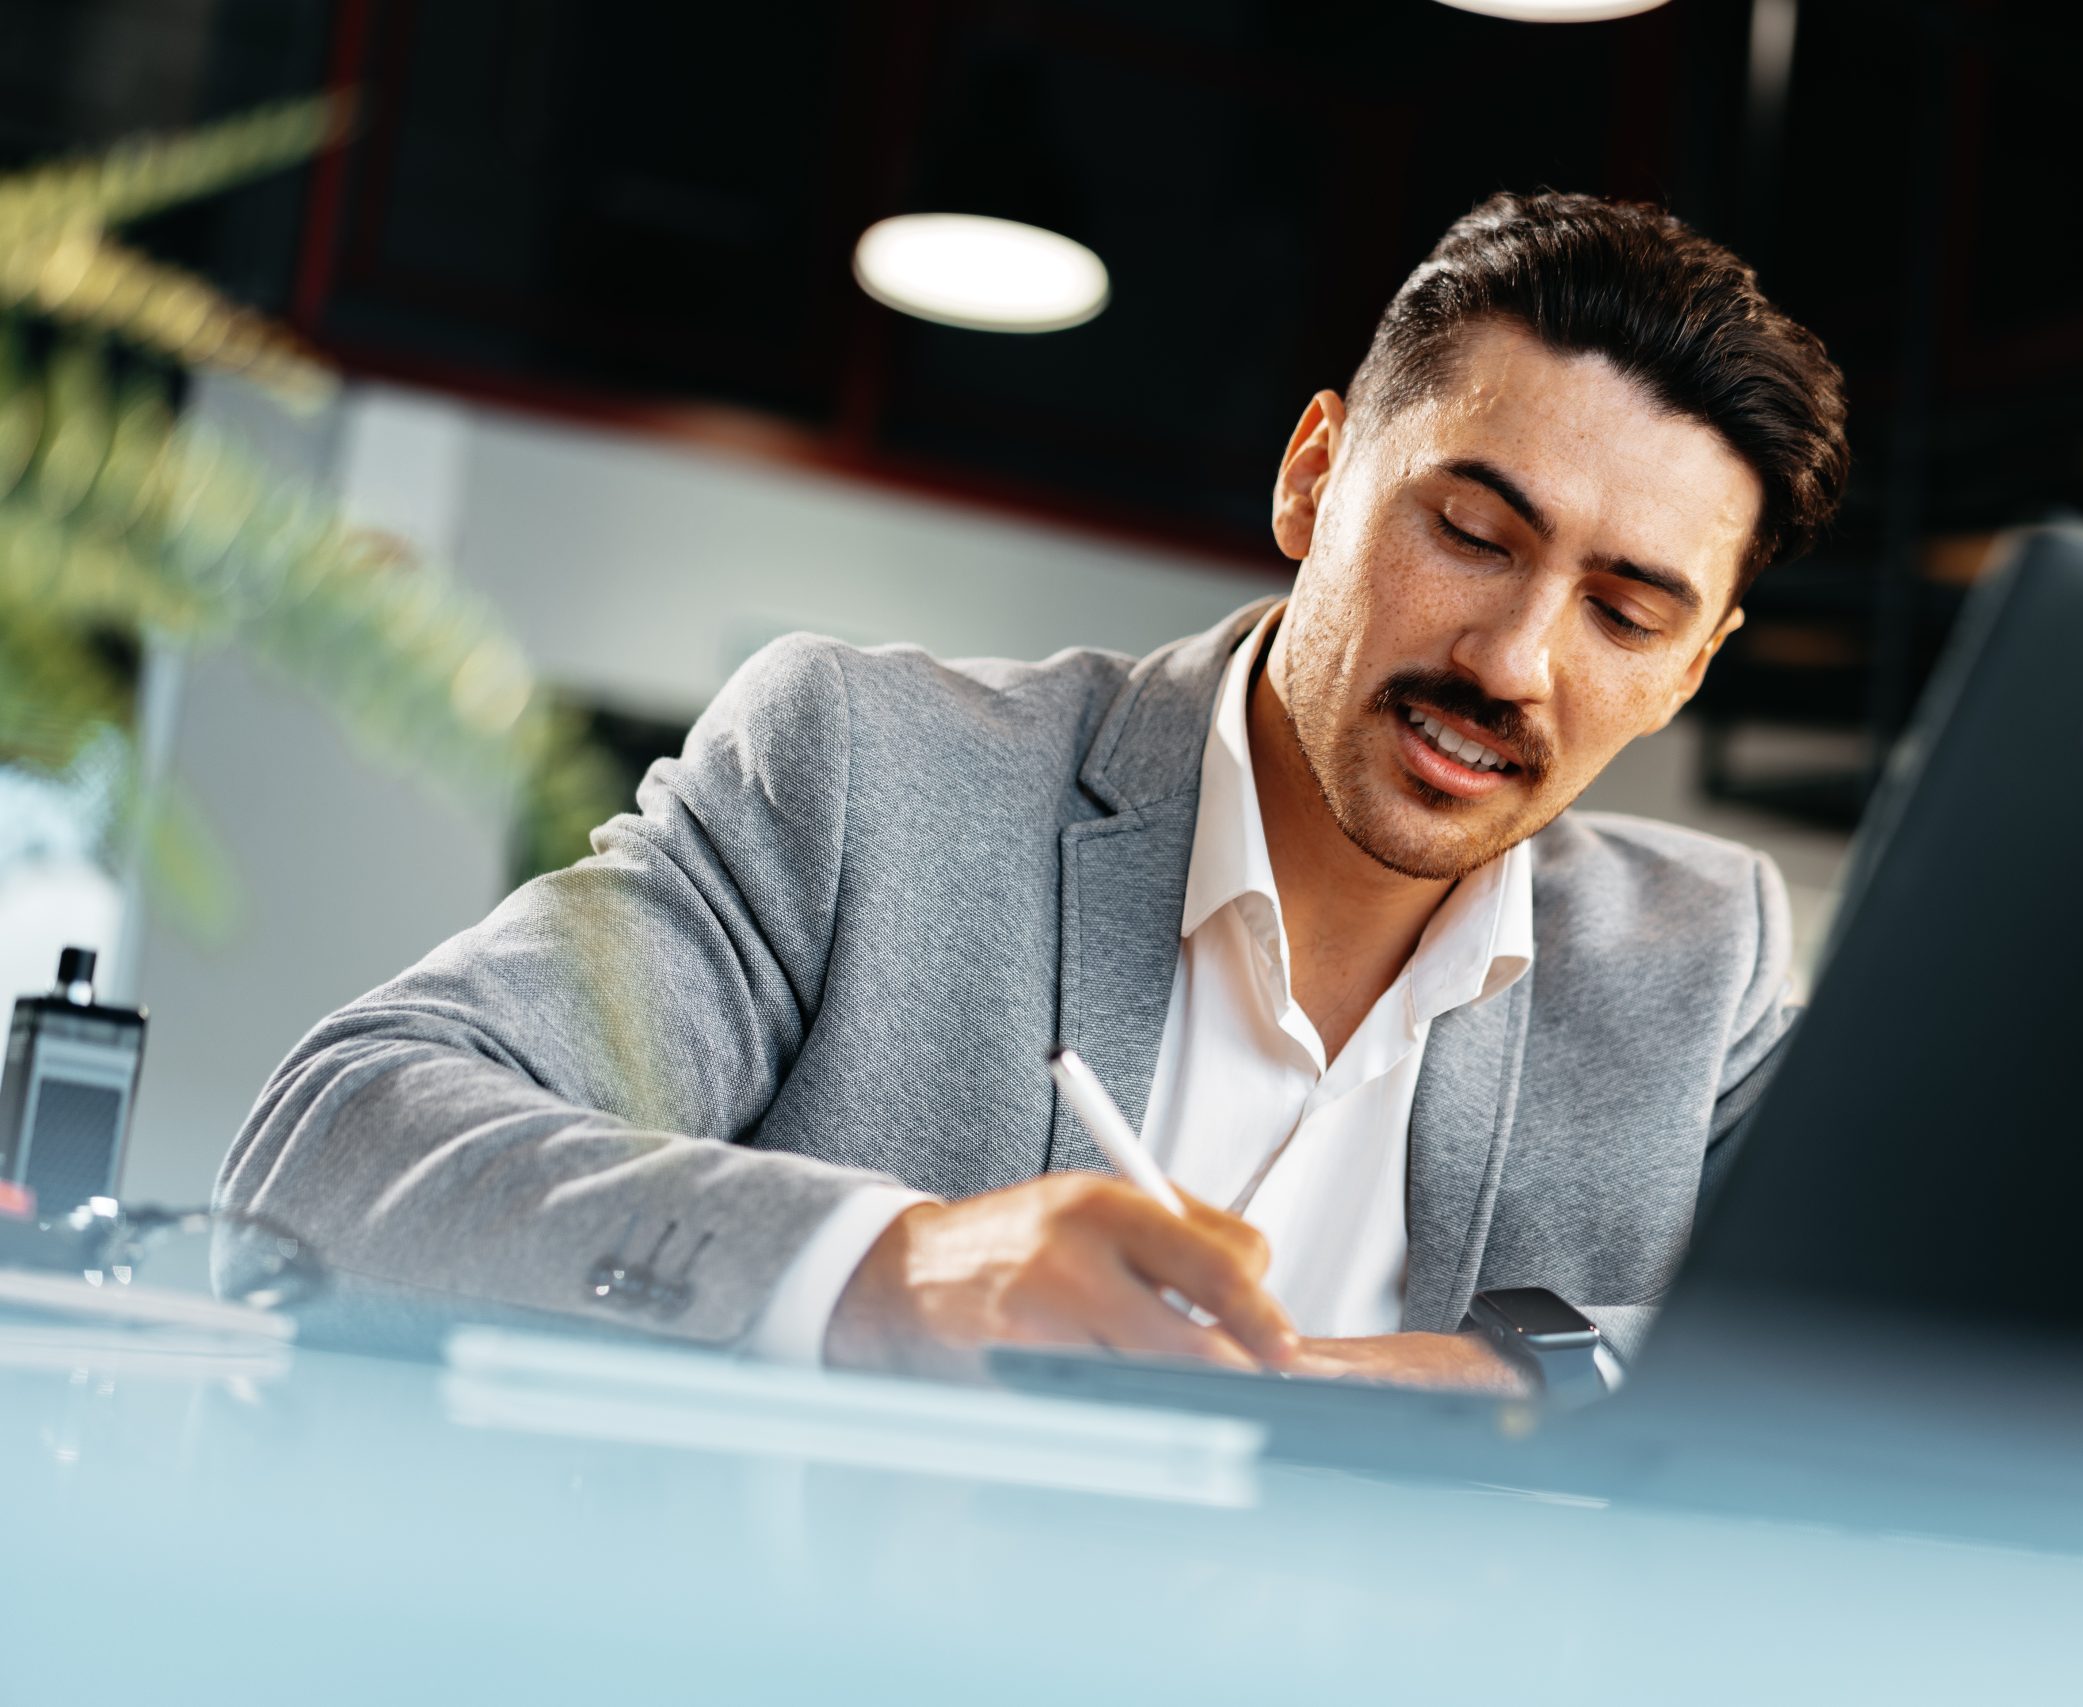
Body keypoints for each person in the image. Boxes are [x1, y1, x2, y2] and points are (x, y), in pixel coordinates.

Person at [218, 191, 1850, 1392]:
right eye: (1472, 535)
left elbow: (1912, 1365)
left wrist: (1504, 1386)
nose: (1513, 657)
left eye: (1626, 611)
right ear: (1314, 476)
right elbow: (336, 1137)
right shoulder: (866, 772)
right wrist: (894, 1267)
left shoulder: (1696, 964)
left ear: (1694, 667)